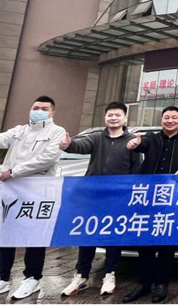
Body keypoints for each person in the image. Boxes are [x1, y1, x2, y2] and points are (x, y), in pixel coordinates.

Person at [0, 96, 65, 302]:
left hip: (37, 188)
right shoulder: (20, 130)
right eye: (36, 107)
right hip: (12, 189)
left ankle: (32, 278)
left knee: (34, 236)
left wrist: (14, 171)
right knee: (7, 234)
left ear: (52, 112)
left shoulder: (57, 132)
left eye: (44, 109)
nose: (39, 111)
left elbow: (48, 158)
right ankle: (0, 279)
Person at [59, 102, 143, 297]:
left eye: (117, 115)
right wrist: (69, 144)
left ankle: (110, 274)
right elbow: (81, 145)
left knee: (113, 236)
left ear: (125, 118)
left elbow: (136, 171)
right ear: (105, 118)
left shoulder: (132, 142)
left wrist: (129, 195)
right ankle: (81, 275)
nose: (113, 118)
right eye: (110, 115)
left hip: (117, 199)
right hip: (92, 197)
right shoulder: (96, 138)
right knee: (87, 235)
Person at [122, 106, 178, 304]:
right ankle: (143, 283)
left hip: (171, 199)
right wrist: (135, 144)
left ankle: (161, 284)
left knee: (166, 243)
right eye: (166, 117)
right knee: (145, 242)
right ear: (161, 120)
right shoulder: (151, 138)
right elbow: (141, 145)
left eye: (174, 117)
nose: (170, 120)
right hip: (148, 198)